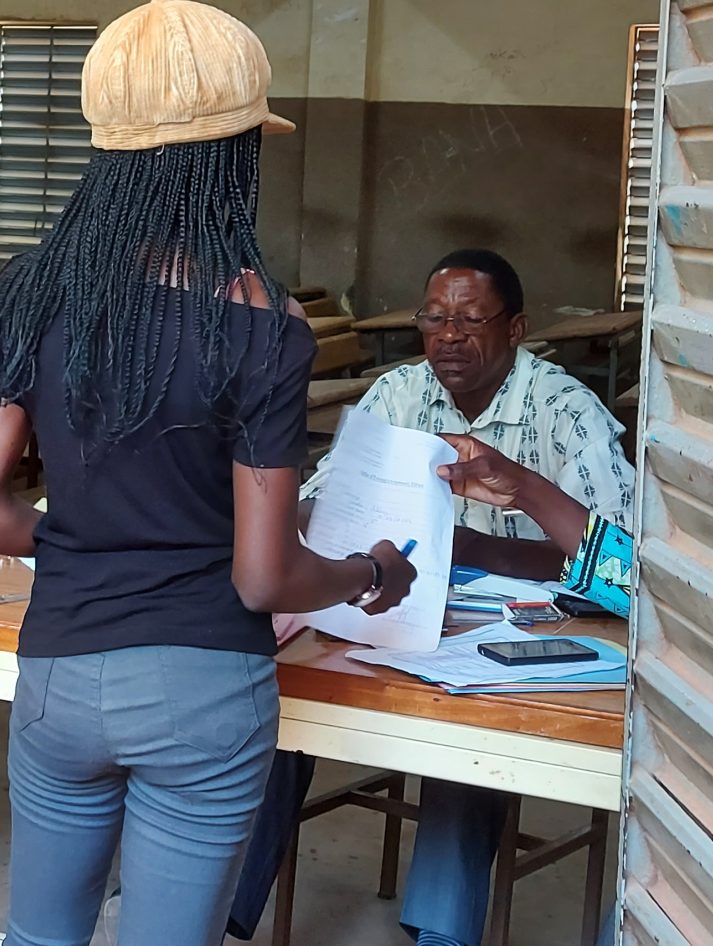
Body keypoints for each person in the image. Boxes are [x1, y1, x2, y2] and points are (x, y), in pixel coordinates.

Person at [0, 0, 420, 946]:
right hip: (203, 692)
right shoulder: (263, 326)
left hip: (57, 679)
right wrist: (373, 573)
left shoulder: (32, 293)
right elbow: (264, 576)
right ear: (233, 158)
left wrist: (84, 538)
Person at [228, 249, 634, 946]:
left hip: (511, 625)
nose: (449, 335)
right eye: (435, 318)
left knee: (468, 734)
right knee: (280, 688)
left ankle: (439, 932)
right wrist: (268, 516)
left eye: (472, 320)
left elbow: (621, 559)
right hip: (400, 604)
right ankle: (224, 906)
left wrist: (500, 519)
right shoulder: (399, 395)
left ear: (516, 329)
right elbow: (324, 504)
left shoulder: (565, 410)